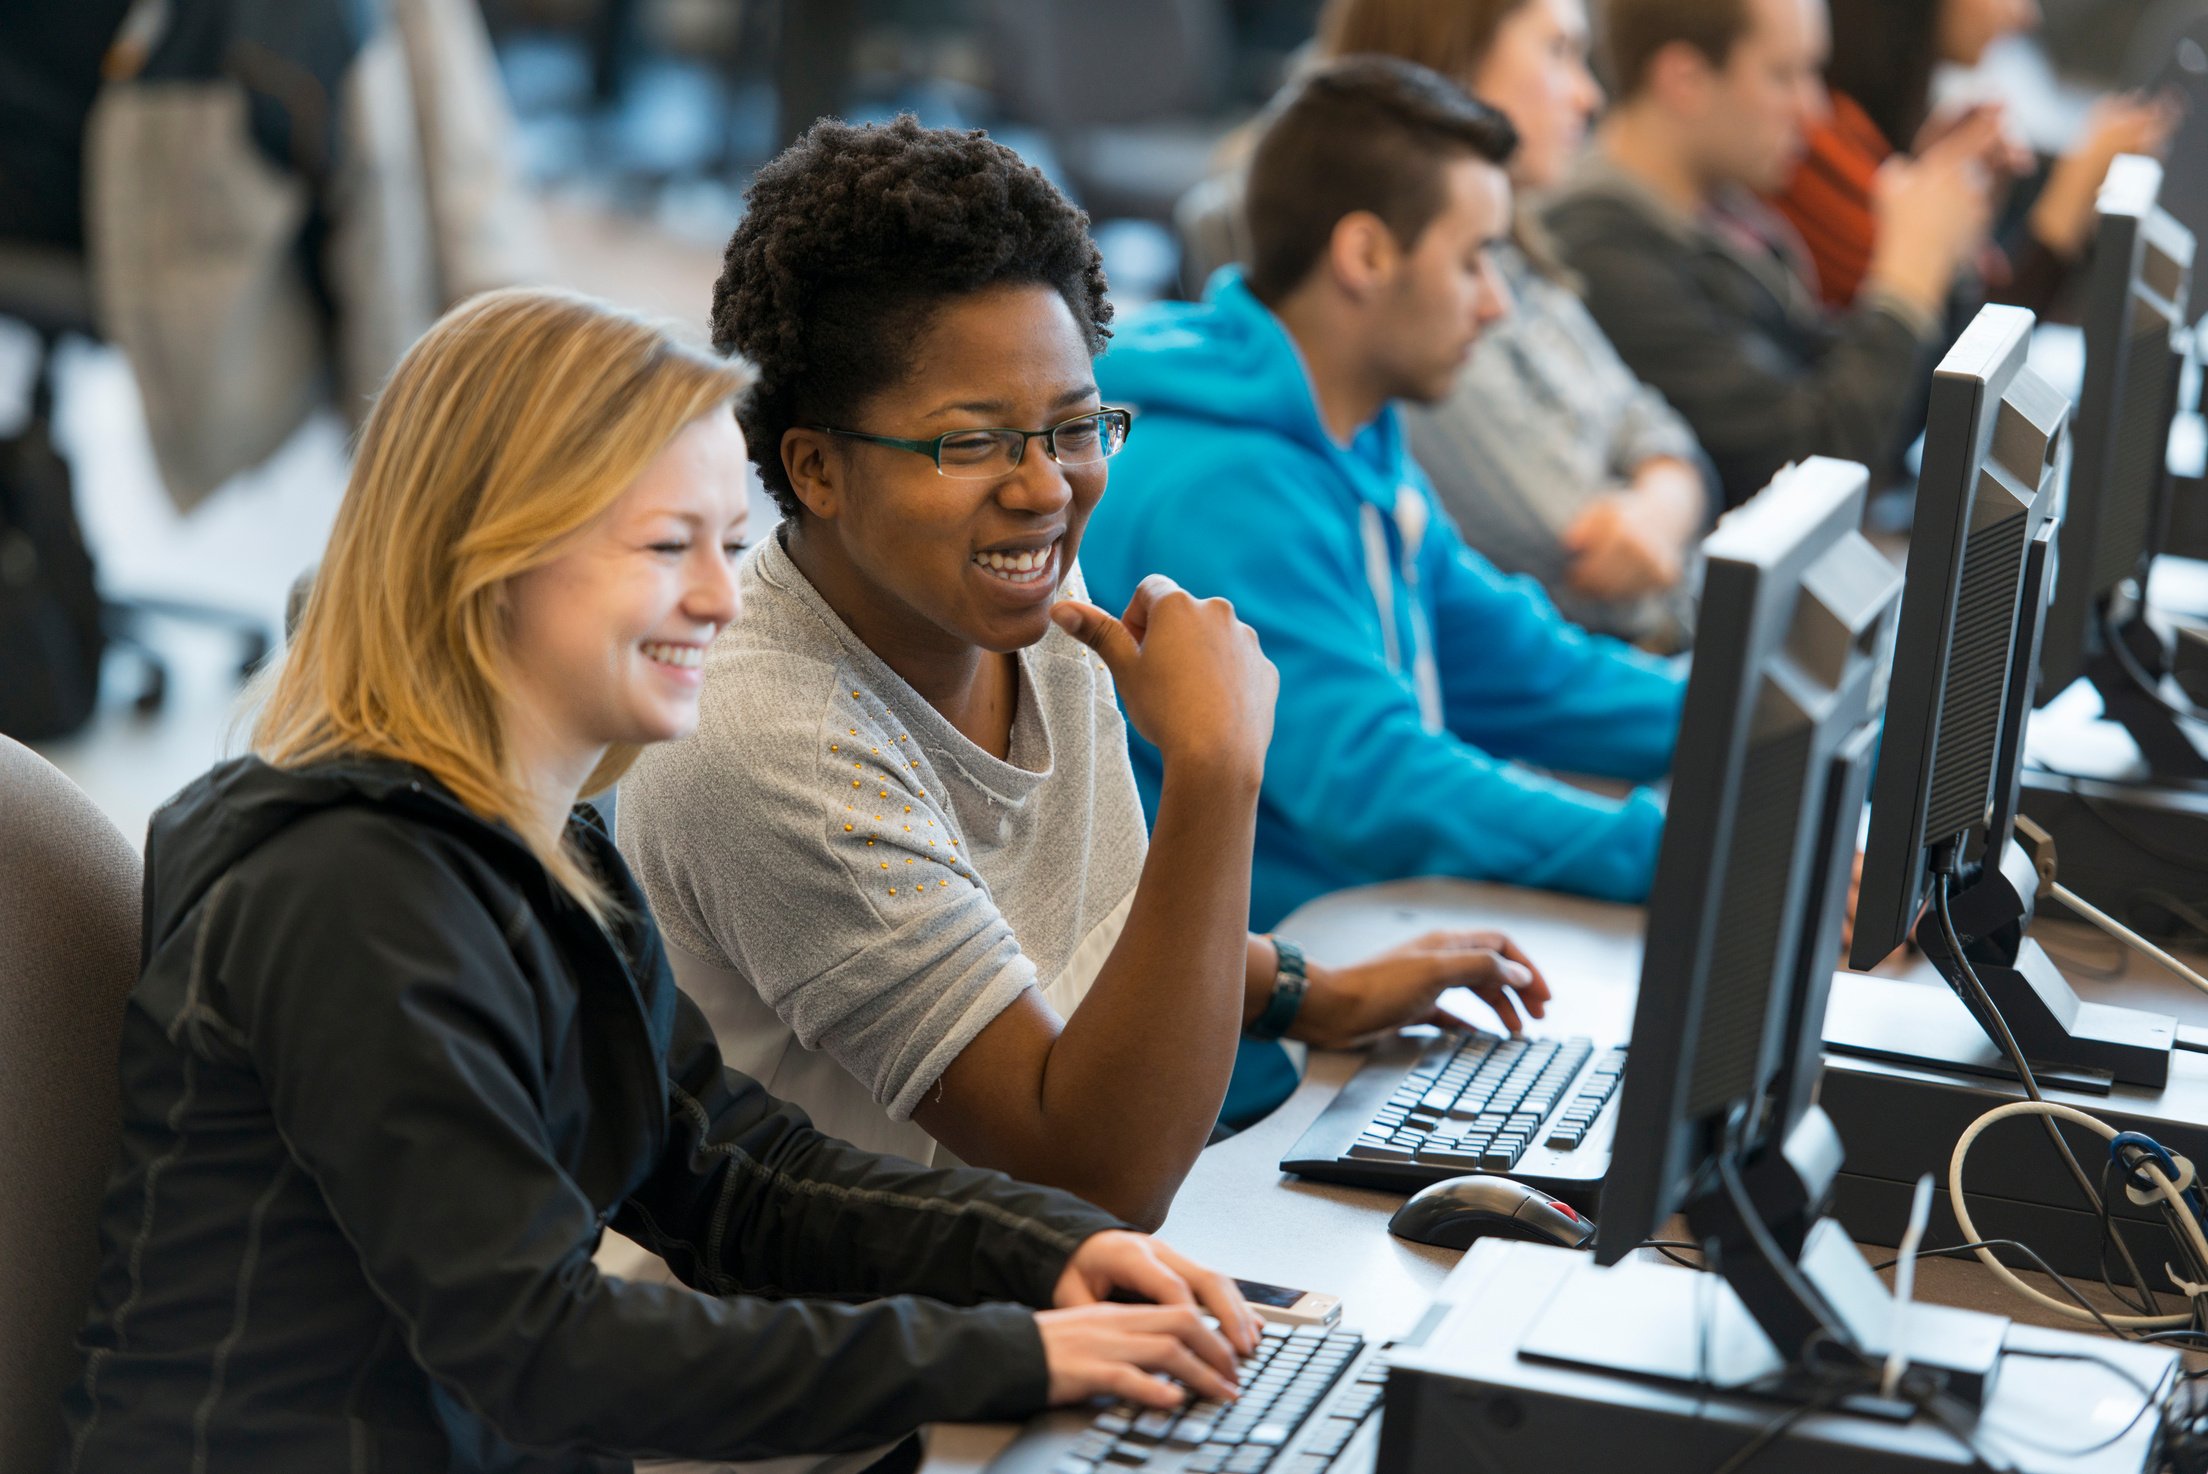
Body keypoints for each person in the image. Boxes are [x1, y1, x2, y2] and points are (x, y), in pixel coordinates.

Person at [58, 286, 1263, 1474]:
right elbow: (542, 1347)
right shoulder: (350, 890)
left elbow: (732, 1176)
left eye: (729, 546)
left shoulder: (547, 841)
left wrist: (1049, 1256)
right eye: (666, 546)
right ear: (493, 558)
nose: (722, 599)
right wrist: (1020, 1356)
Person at [618, 120, 1548, 1188]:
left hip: (1015, 1290)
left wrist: (1312, 991)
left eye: (1072, 427)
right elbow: (1107, 1175)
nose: (1044, 490)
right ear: (816, 470)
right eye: (971, 442)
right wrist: (1215, 768)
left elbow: (1075, 931)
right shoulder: (770, 739)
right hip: (843, 1335)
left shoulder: (1030, 596)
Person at [1078, 59, 1686, 1115]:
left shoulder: (1349, 433)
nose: (1497, 304)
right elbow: (1380, 786)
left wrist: (1765, 716)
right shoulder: (1232, 487)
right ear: (1365, 254)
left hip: (1364, 954)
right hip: (1250, 1053)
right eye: (1477, 259)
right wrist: (1684, 851)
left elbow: (1524, 669)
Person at [1304, 0, 1715, 648]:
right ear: (1454, 61)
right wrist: (1669, 511)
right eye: (1559, 52)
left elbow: (1652, 423)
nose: (1590, 96)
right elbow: (1585, 564)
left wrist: (1661, 501)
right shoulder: (1408, 304)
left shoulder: (1518, 256)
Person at [1541, 0, 1993, 507]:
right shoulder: (1602, 250)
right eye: (1784, 75)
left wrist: (1939, 259)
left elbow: (1878, 425)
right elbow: (1806, 468)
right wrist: (1907, 281)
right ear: (1684, 79)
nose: (1814, 109)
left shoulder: (1729, 213)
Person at [1768, 0, 2175, 313]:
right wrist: (2069, 201)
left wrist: (1956, 203)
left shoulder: (1867, 131)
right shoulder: (1806, 148)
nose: (2025, 15)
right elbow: (1947, 367)